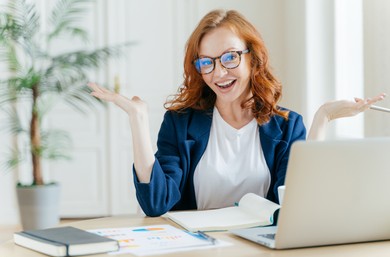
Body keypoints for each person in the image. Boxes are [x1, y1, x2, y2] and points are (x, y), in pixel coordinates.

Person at [88, 9, 385, 217]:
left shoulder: (287, 126)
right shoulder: (180, 123)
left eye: (230, 57)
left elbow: (298, 204)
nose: (219, 72)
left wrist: (323, 118)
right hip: (196, 253)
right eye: (206, 62)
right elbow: (156, 204)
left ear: (253, 58)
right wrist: (138, 121)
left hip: (260, 251)